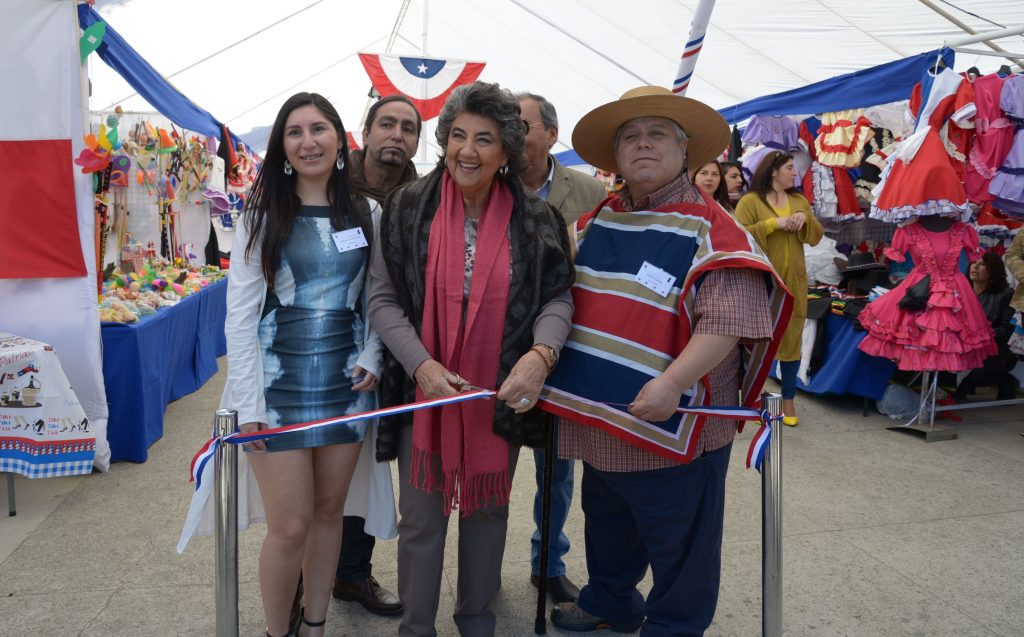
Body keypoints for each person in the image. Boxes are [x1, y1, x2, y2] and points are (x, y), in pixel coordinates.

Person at [542, 86, 791, 636]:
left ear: (685, 152)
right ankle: (610, 601)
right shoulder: (594, 221)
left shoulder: (715, 229)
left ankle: (674, 625)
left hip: (676, 421)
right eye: (630, 136)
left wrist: (674, 381)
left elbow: (728, 320)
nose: (643, 144)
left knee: (681, 541)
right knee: (606, 521)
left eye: (657, 134)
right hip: (603, 416)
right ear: (616, 156)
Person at [367, 81, 575, 636]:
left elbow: (558, 294)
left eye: (484, 139)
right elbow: (383, 299)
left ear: (507, 150)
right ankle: (416, 625)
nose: (467, 150)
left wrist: (540, 354)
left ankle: (477, 616)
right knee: (421, 520)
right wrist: (422, 366)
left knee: (488, 513)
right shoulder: (408, 207)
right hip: (425, 391)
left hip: (499, 392)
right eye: (458, 135)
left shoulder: (536, 218)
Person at [223, 92, 384, 637]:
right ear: (282, 147)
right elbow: (240, 318)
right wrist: (247, 404)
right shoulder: (260, 216)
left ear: (340, 139)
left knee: (328, 514)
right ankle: (277, 631)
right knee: (289, 526)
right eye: (295, 132)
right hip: (276, 386)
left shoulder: (369, 213)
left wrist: (374, 356)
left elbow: (377, 302)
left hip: (347, 386)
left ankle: (315, 626)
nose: (308, 141)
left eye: (319, 129)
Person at [329, 94, 421, 617]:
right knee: (318, 472)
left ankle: (351, 575)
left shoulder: (425, 196)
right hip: (324, 354)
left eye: (408, 128)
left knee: (368, 468)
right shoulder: (329, 188)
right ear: (365, 131)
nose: (397, 135)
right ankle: (306, 577)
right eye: (387, 123)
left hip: (395, 353)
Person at [518, 91, 607, 604]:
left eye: (524, 124)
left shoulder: (591, 191)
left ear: (552, 134)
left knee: (557, 469)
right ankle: (479, 565)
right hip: (499, 350)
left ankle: (547, 563)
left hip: (567, 348)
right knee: (493, 465)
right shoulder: (488, 184)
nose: (514, 133)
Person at [735, 150, 824, 426]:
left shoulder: (799, 201)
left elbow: (816, 237)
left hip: (794, 282)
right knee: (757, 340)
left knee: (792, 341)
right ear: (773, 171)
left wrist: (805, 220)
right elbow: (738, 235)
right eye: (789, 168)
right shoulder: (750, 201)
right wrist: (773, 224)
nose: (795, 173)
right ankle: (753, 396)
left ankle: (788, 400)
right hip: (761, 282)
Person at [955, 251, 1018, 400]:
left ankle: (1007, 381)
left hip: (996, 353)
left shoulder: (1006, 295)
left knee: (965, 375)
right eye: (974, 262)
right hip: (963, 348)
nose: (974, 267)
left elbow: (1007, 330)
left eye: (982, 264)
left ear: (993, 270)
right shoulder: (961, 292)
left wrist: (977, 337)